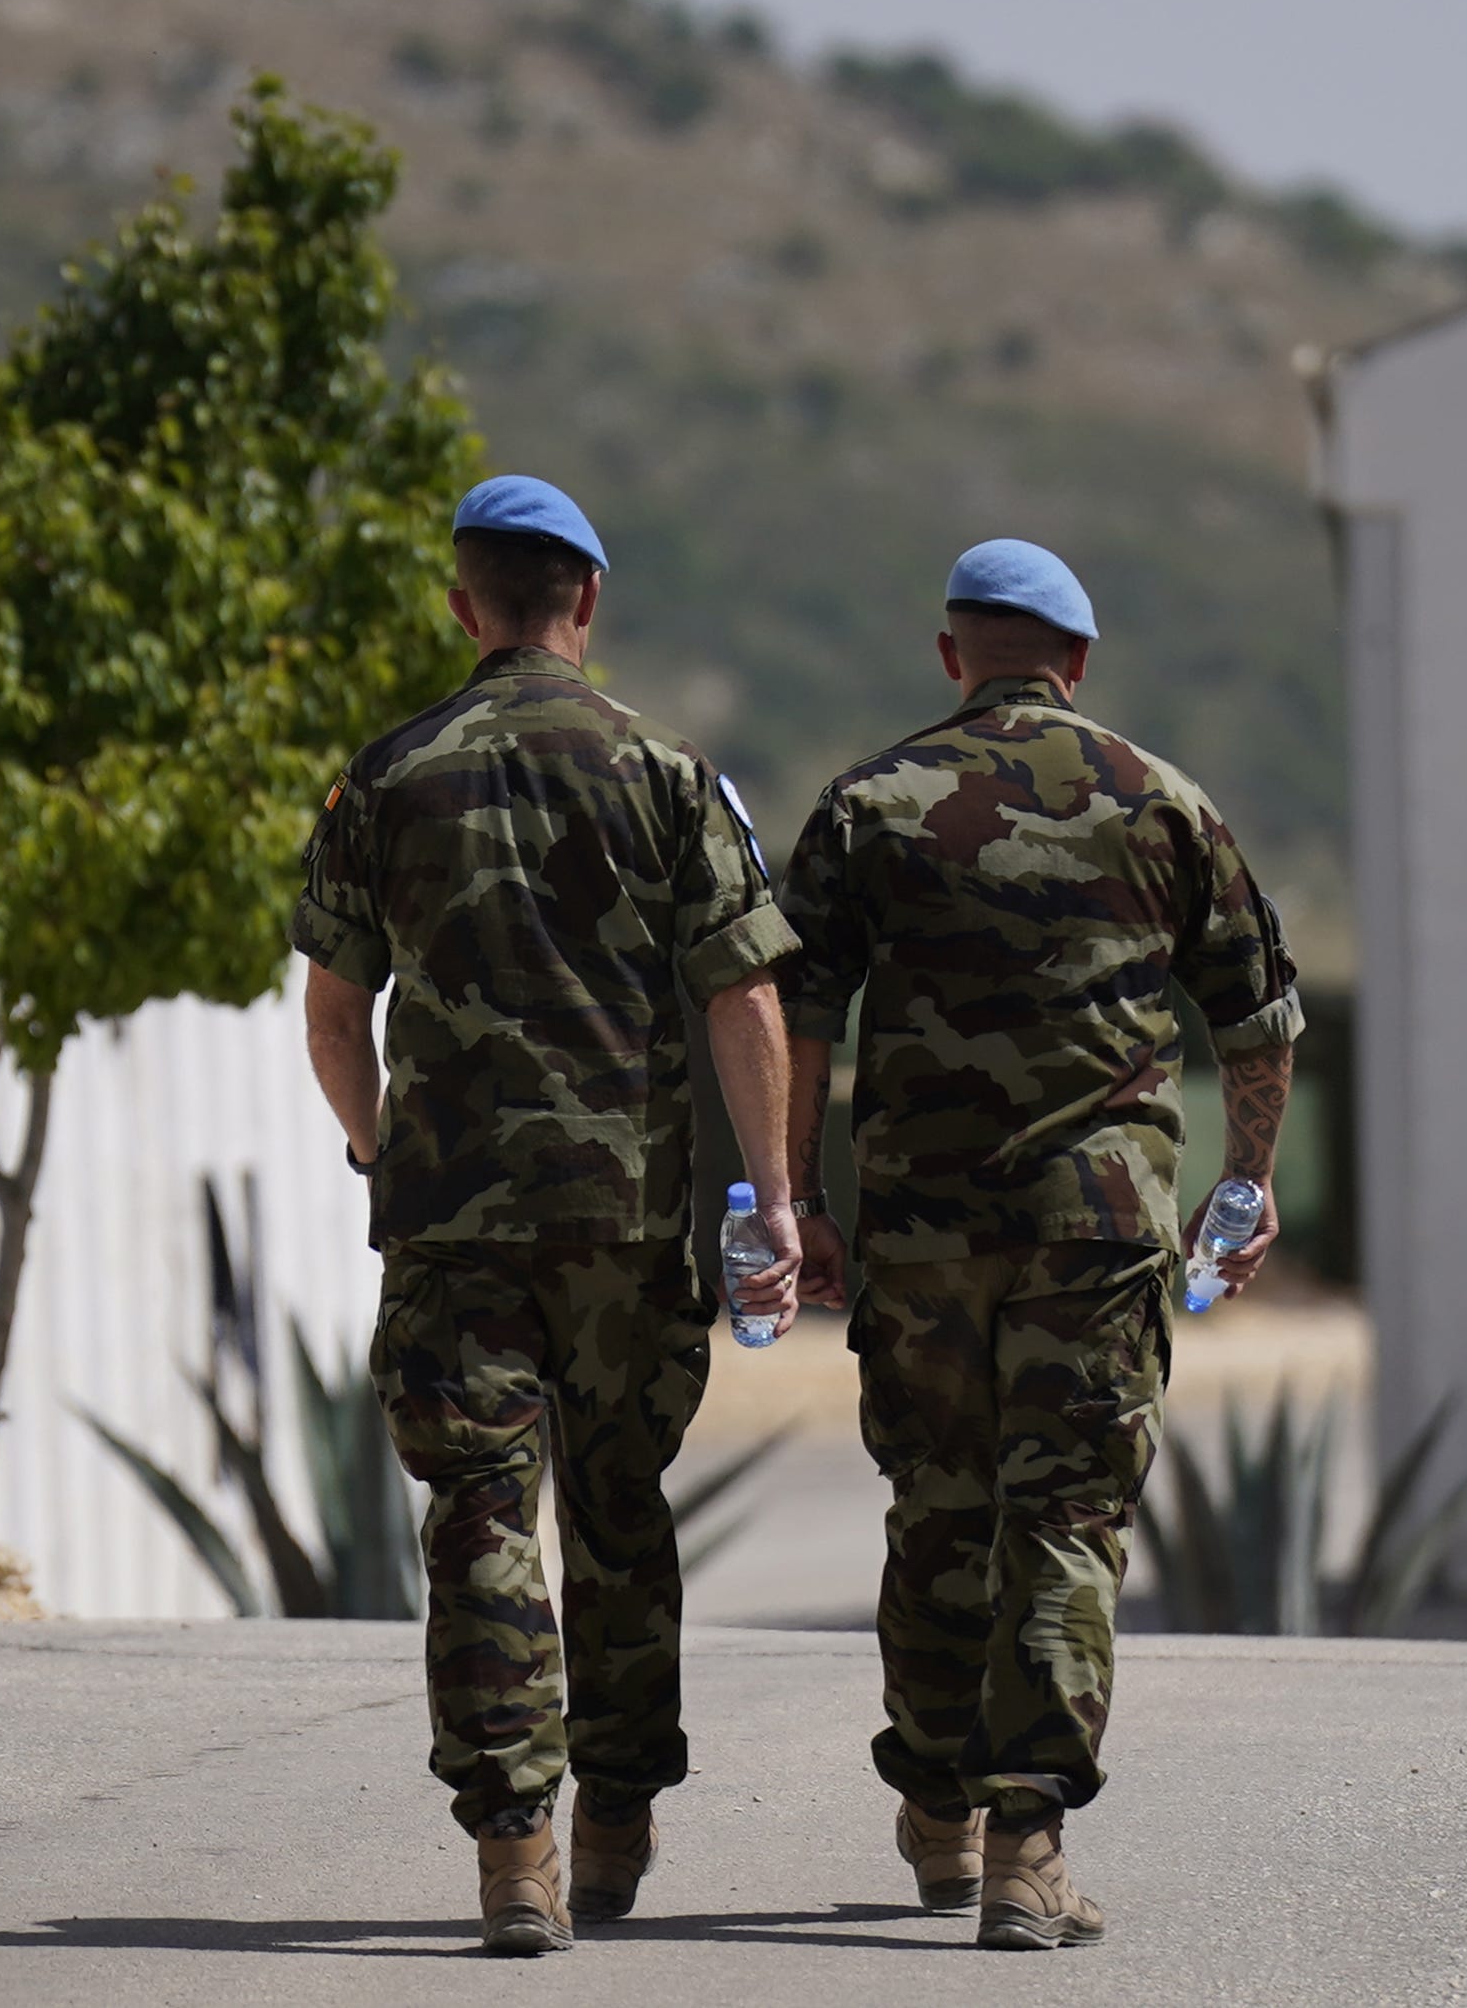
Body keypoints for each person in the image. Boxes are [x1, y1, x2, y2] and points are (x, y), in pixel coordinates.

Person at [291, 474, 806, 1955]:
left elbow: (333, 1019)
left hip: (452, 1230)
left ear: (465, 606)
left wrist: (387, 1153)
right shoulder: (669, 774)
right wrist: (771, 1197)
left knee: (478, 1523)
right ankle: (619, 1821)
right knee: (621, 1515)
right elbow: (744, 993)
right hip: (624, 1226)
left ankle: (513, 1845)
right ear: (586, 599)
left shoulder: (385, 779)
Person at [776, 537, 1300, 1951]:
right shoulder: (1159, 802)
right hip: (1097, 1236)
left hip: (923, 1238)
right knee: (1064, 1519)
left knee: (939, 1507)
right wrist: (1241, 1190)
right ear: (1076, 663)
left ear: (955, 655)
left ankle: (939, 1810)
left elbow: (796, 1017)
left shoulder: (869, 806)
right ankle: (1026, 1844)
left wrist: (793, 1199)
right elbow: (1255, 1023)